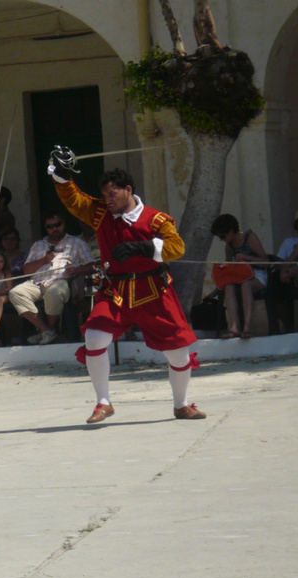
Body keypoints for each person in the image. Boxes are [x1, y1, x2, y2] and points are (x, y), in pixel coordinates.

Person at [48, 151, 205, 422]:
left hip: (154, 291)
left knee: (179, 354)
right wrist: (62, 176)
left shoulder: (157, 219)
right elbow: (74, 200)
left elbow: (177, 248)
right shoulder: (99, 214)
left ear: (128, 190)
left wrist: (142, 247)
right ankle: (103, 403)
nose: (107, 201)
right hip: (115, 291)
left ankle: (181, 405)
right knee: (95, 337)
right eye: (105, 196)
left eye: (112, 195)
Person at [8, 210, 95, 345]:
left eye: (57, 224)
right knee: (15, 293)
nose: (54, 229)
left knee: (53, 292)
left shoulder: (76, 242)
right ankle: (47, 331)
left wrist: (76, 270)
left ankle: (46, 331)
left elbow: (92, 266)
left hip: (62, 282)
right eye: (50, 226)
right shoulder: (38, 245)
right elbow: (26, 270)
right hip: (37, 283)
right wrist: (44, 260)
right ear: (46, 228)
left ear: (63, 224)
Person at [210, 214, 270, 339]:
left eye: (223, 236)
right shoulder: (229, 247)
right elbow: (229, 270)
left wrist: (247, 258)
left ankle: (247, 326)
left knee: (246, 284)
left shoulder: (249, 237)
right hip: (238, 276)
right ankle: (234, 327)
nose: (221, 239)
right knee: (229, 286)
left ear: (231, 231)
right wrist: (217, 288)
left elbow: (265, 262)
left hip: (257, 275)